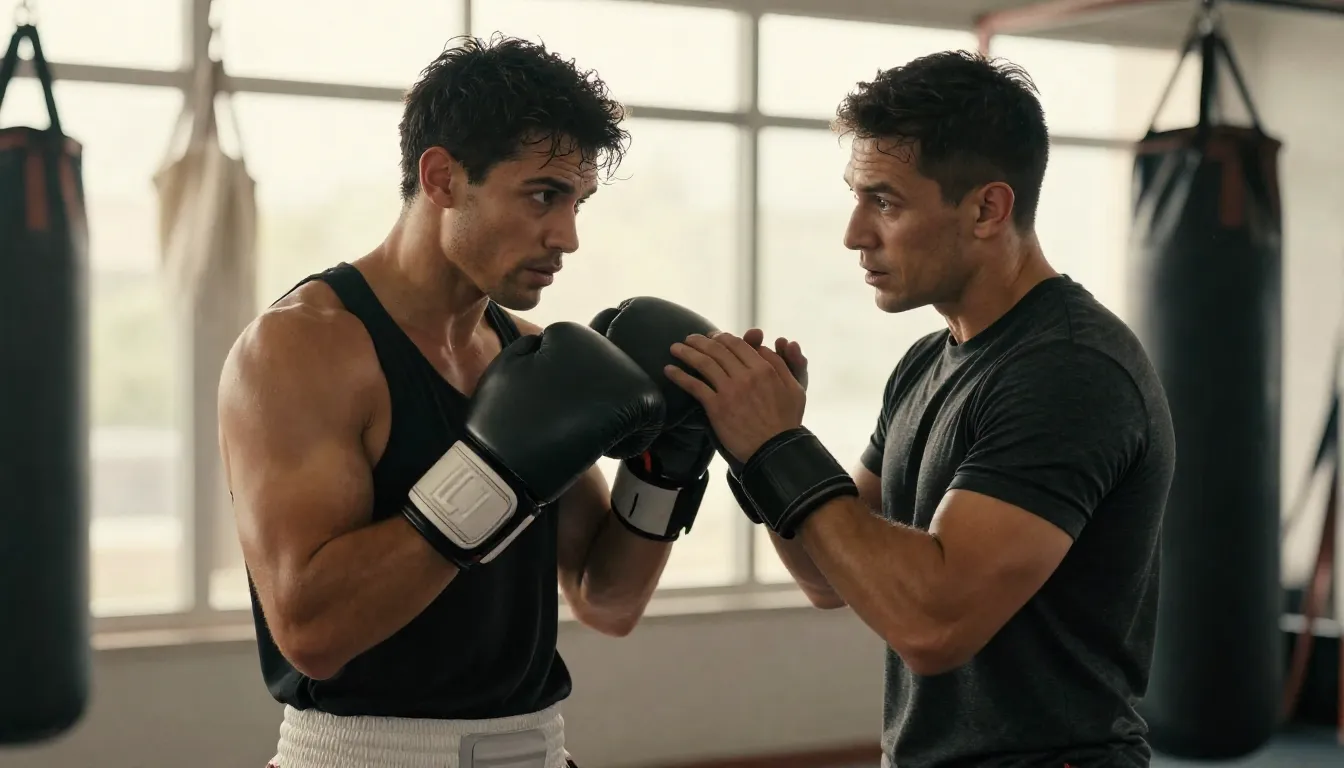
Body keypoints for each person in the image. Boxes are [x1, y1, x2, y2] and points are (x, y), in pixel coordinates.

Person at [217, 35, 718, 768]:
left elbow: (605, 599)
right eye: (543, 195)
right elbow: (312, 634)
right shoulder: (302, 350)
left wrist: (666, 467)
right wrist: (492, 476)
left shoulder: (527, 353)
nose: (567, 236)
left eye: (577, 203)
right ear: (443, 178)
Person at [666, 51, 1177, 767]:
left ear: (987, 209)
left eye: (885, 202)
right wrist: (755, 447)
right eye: (858, 198)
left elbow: (934, 624)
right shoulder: (926, 363)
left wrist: (781, 447)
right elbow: (828, 576)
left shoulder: (1069, 371)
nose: (854, 233)